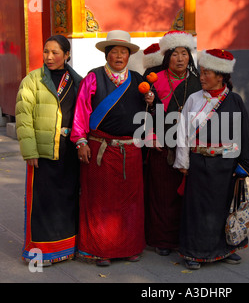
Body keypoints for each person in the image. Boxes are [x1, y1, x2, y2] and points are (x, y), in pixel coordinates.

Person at [70, 30, 155, 266]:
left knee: (131, 202)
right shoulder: (93, 78)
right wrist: (81, 141)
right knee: (101, 201)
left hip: (131, 150)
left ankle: (129, 247)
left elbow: (148, 115)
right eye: (115, 52)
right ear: (107, 55)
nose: (119, 56)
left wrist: (151, 101)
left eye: (123, 52)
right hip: (101, 150)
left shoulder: (138, 80)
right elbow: (81, 111)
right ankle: (101, 249)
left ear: (129, 56)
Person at [173, 49, 249, 269]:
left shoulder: (234, 101)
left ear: (221, 76)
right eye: (201, 72)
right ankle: (193, 253)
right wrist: (183, 161)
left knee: (222, 208)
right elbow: (182, 132)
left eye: (206, 73)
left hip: (225, 165)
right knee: (197, 209)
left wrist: (244, 165)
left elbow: (243, 135)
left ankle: (225, 249)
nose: (201, 77)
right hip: (199, 163)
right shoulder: (194, 99)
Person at [15, 35, 82, 266]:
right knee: (42, 201)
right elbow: (23, 118)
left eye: (55, 52)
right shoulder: (32, 80)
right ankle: (41, 251)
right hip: (43, 150)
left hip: (69, 149)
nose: (49, 57)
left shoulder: (77, 80)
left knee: (67, 198)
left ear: (67, 55)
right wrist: (30, 151)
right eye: (46, 52)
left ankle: (66, 248)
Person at [144, 31, 201, 256]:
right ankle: (162, 240)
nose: (179, 58)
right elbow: (143, 112)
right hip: (162, 146)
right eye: (175, 54)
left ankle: (184, 237)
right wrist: (151, 136)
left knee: (186, 195)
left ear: (189, 57)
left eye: (184, 53)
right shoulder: (154, 78)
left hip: (191, 146)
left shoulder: (198, 81)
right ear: (167, 56)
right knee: (162, 194)